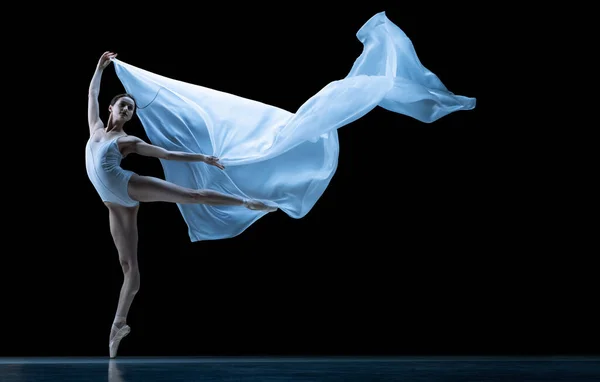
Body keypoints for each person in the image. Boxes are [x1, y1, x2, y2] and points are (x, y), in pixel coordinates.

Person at [87, 51, 276, 358]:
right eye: (123, 105)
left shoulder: (127, 141)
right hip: (114, 204)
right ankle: (119, 324)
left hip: (129, 185)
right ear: (111, 108)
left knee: (191, 194)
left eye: (132, 109)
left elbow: (166, 154)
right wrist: (99, 68)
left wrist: (201, 157)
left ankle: (249, 202)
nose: (127, 111)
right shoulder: (95, 129)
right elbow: (92, 93)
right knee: (129, 268)